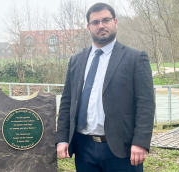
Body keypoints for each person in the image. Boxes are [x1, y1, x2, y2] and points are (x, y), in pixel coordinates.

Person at [56, 3, 155, 172]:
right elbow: (67, 102)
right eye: (95, 22)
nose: (101, 25)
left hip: (122, 149)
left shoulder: (135, 58)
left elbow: (146, 104)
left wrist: (140, 142)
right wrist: (62, 138)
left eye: (105, 20)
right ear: (89, 27)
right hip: (83, 148)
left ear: (115, 22)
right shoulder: (76, 60)